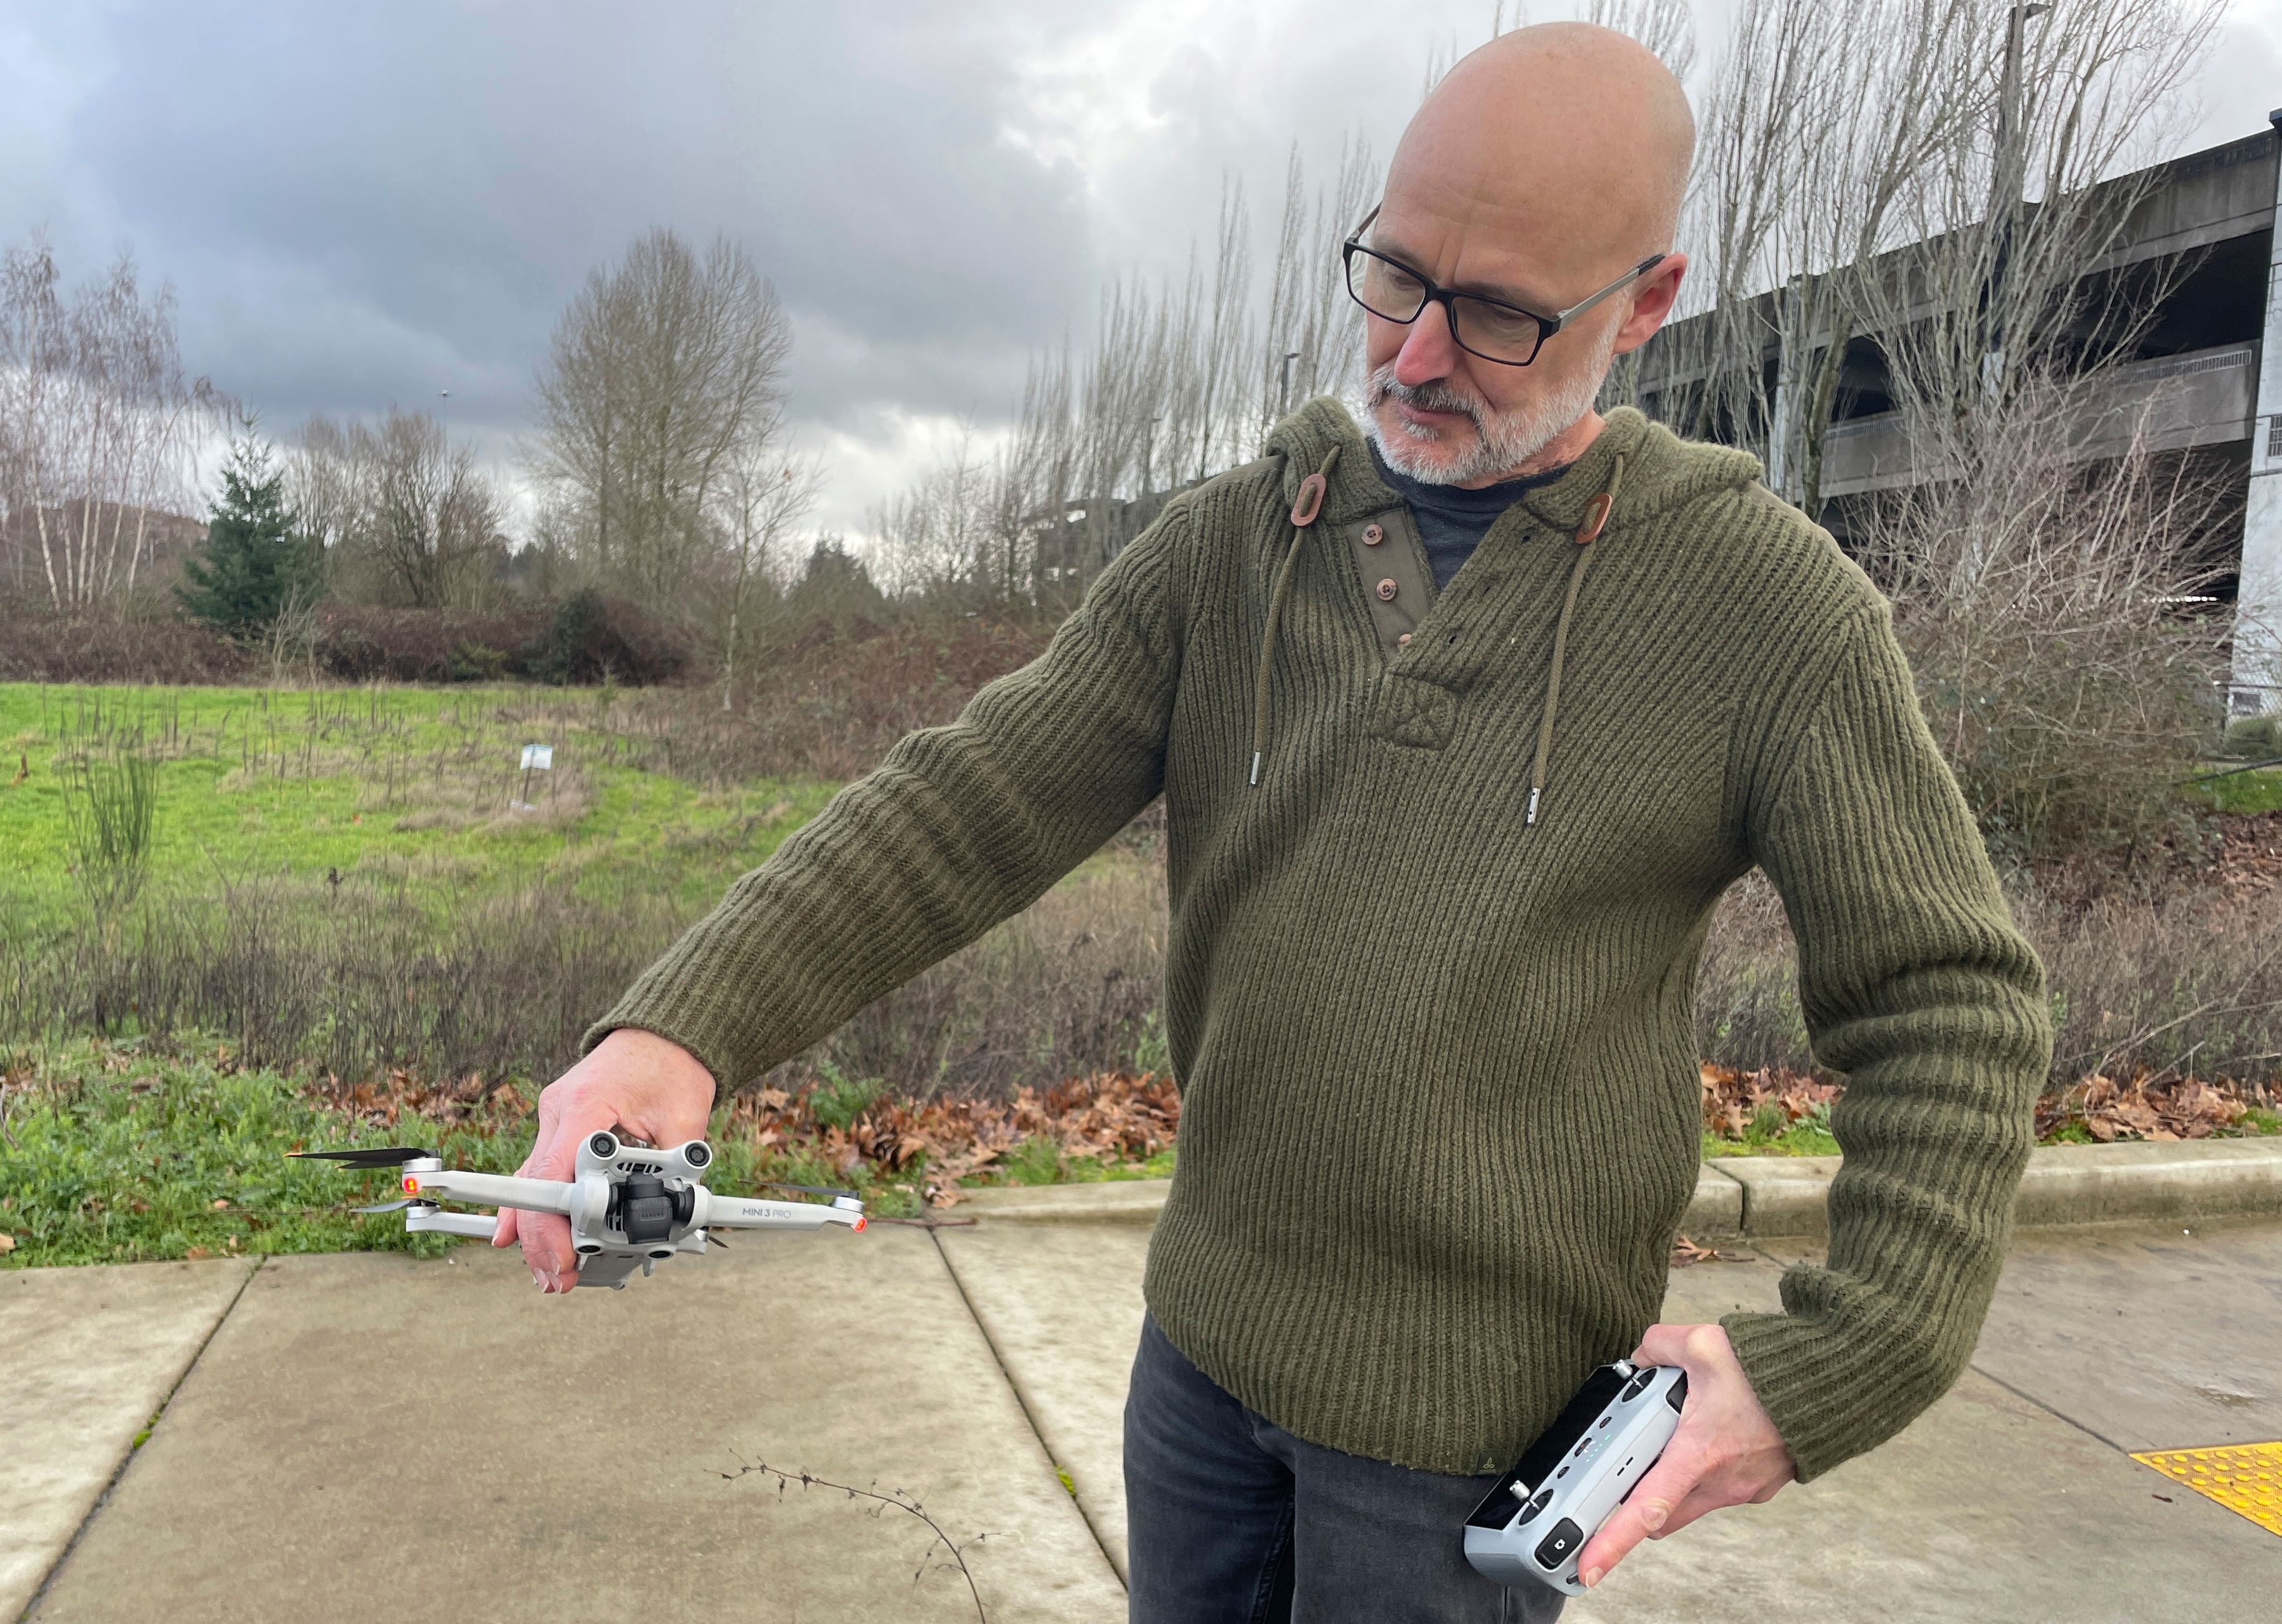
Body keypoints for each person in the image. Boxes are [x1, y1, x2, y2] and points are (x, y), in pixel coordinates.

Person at [494, 22, 2050, 1623]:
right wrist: (679, 1026)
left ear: (1646, 302)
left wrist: (1847, 1354)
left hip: (1469, 1449)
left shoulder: (1761, 608)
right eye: (1396, 277)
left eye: (1503, 314)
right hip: (1201, 1372)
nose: (1417, 356)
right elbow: (973, 793)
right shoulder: (1243, 539)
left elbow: (1950, 997)